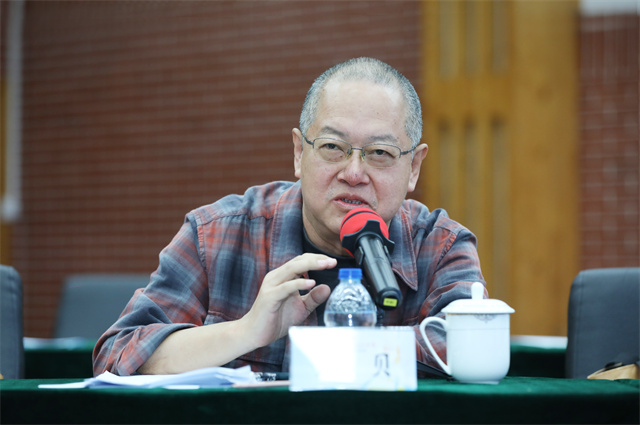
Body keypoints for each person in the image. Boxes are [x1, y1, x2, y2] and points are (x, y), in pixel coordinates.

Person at [93, 57, 485, 376]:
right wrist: (245, 332)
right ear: (299, 152)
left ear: (413, 167)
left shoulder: (442, 246)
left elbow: (474, 348)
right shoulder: (216, 235)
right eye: (332, 147)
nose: (353, 173)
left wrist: (334, 351)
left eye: (379, 153)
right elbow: (118, 354)